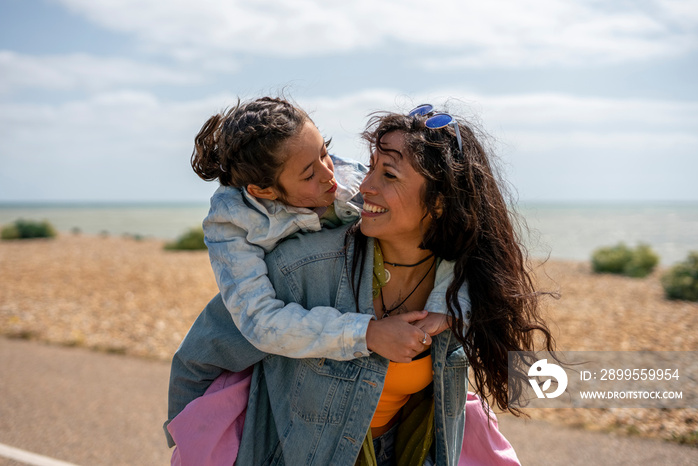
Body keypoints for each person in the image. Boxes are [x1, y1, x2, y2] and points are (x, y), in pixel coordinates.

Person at [166, 104, 554, 465]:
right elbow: (222, 341)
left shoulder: (457, 278)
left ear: (440, 204)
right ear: (264, 191)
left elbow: (485, 281)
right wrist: (366, 334)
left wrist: (448, 313)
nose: (357, 184)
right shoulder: (290, 266)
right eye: (372, 168)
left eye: (387, 173)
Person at [190, 96, 449, 366]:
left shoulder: (352, 179)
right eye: (308, 176)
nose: (328, 175)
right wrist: (367, 333)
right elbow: (261, 322)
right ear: (264, 191)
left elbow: (456, 232)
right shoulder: (231, 223)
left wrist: (447, 305)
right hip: (228, 353)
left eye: (324, 152)